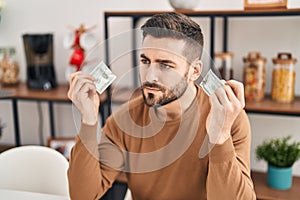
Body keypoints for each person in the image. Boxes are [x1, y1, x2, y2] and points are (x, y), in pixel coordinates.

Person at [67, 12, 256, 200]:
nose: (150, 76)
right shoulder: (124, 119)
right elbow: (82, 196)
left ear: (194, 71)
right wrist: (88, 121)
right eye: (145, 61)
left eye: (165, 65)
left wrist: (220, 137)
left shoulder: (228, 119)